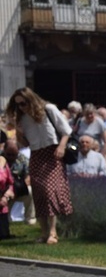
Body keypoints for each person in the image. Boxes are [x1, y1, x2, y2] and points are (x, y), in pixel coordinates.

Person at [6, 87, 74, 245]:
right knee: (39, 193)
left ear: (31, 99)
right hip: (36, 154)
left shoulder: (49, 109)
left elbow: (66, 131)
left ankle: (53, 232)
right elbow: (25, 143)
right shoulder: (22, 118)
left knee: (50, 191)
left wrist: (61, 147)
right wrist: (17, 130)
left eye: (23, 103)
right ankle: (44, 232)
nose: (22, 107)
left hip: (53, 152)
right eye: (18, 105)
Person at [3, 139, 36, 225]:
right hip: (3, 190)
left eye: (13, 155)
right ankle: (5, 219)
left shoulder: (22, 159)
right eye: (8, 154)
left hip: (18, 188)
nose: (10, 157)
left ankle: (30, 218)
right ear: (4, 150)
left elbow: (29, 176)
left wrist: (16, 189)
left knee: (30, 191)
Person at [0, 153, 14, 239]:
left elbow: (10, 183)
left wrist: (6, 196)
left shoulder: (2, 161)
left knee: (3, 235)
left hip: (2, 205)